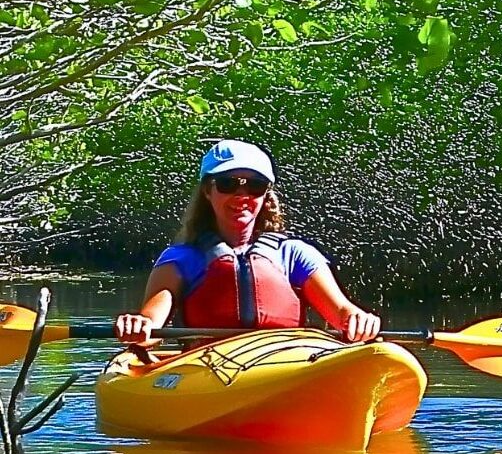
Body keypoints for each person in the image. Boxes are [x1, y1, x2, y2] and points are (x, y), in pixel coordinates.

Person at [115, 139, 380, 344]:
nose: (242, 195)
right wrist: (139, 326)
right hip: (207, 368)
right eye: (229, 184)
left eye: (254, 186)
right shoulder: (181, 260)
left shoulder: (295, 255)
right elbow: (152, 325)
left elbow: (341, 313)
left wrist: (359, 320)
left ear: (266, 195)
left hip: (285, 364)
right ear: (208, 191)